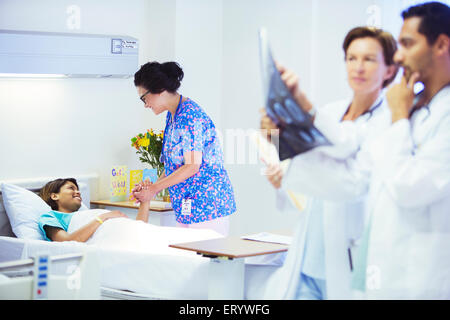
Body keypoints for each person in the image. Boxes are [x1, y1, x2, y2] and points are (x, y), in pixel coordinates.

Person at [261, 26, 398, 299]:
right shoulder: (331, 112)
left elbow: (346, 160)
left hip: (349, 254)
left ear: (390, 70)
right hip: (309, 253)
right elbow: (304, 167)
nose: (358, 67)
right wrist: (275, 140)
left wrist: (303, 106)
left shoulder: (390, 122)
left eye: (369, 59)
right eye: (351, 58)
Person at [133, 62, 236, 236]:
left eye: (144, 98)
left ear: (159, 89)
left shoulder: (190, 116)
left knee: (204, 260)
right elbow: (174, 166)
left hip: (208, 205)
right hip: (187, 206)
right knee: (186, 259)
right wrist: (151, 188)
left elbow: (192, 166)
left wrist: (154, 189)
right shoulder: (173, 116)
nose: (145, 105)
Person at [38, 178, 129, 242]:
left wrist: (143, 202)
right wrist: (102, 218)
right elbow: (67, 241)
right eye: (71, 188)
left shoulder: (85, 215)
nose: (78, 192)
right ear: (54, 196)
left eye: (78, 189)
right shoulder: (50, 217)